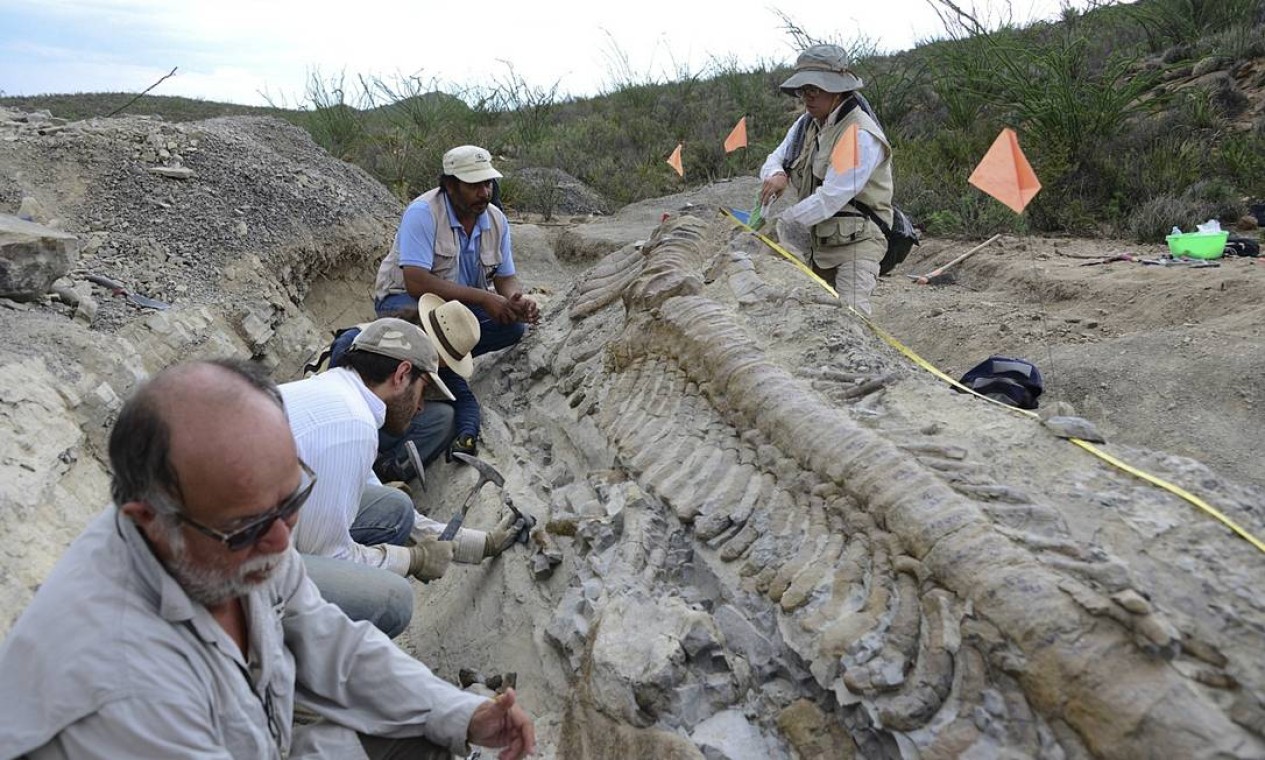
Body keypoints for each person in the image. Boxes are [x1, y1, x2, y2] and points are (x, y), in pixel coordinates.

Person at [0, 359, 535, 759]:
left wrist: (462, 712)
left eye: (292, 500)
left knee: (427, 731)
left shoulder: (227, 542)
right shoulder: (123, 693)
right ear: (150, 522)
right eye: (253, 525)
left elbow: (331, 640)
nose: (282, 543)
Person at [282, 318, 521, 638]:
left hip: (242, 529)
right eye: (423, 391)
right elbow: (328, 556)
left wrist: (479, 545)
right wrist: (411, 560)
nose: (422, 407)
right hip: (223, 575)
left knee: (393, 506)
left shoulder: (337, 391)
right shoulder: (351, 426)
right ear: (401, 375)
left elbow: (389, 506)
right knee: (393, 601)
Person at [372, 145, 541, 458]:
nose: (484, 192)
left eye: (487, 184)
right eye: (474, 185)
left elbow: (505, 278)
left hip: (456, 308)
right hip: (404, 302)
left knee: (513, 328)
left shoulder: (496, 220)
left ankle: (438, 362)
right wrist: (484, 298)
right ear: (449, 185)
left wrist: (515, 299)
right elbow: (416, 281)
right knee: (425, 332)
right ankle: (441, 371)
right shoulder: (423, 213)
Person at [759, 43, 897, 315]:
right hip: (816, 245)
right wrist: (776, 174)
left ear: (837, 90)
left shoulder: (859, 134)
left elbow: (831, 197)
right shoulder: (805, 124)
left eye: (814, 89)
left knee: (852, 319)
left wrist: (783, 224)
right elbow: (775, 157)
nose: (806, 98)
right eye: (802, 91)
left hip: (857, 246)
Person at [327, 295, 483, 479]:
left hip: (380, 424)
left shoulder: (439, 365)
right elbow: (338, 371)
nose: (420, 407)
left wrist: (467, 433)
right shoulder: (376, 337)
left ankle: (386, 471)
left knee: (444, 417)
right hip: (340, 420)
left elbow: (465, 399)